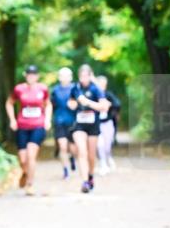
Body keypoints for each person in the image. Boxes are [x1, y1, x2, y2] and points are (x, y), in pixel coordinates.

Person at [6, 64, 52, 196]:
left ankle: (30, 184)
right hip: (22, 126)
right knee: (23, 159)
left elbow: (48, 104)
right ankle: (25, 173)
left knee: (32, 155)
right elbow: (9, 103)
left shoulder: (42, 89)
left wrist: (47, 119)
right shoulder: (19, 89)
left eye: (34, 75)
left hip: (38, 125)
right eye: (29, 75)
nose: (31, 77)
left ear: (37, 76)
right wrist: (12, 120)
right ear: (25, 76)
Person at [67, 64, 110, 193]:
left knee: (91, 155)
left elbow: (104, 107)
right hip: (79, 124)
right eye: (81, 76)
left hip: (93, 125)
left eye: (86, 76)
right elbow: (72, 101)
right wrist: (72, 104)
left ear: (90, 76)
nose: (84, 79)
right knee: (82, 152)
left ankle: (90, 175)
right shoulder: (75, 87)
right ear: (79, 76)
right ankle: (85, 181)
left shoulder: (96, 89)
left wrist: (89, 103)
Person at [50, 67, 77, 179]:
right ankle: (65, 171)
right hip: (59, 121)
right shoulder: (55, 90)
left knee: (73, 148)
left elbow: (82, 104)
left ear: (71, 77)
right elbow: (51, 106)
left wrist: (75, 105)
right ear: (59, 77)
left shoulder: (76, 89)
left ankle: (72, 158)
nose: (65, 78)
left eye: (67, 75)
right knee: (62, 146)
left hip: (73, 122)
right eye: (62, 75)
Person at [95, 75, 121, 174]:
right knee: (100, 144)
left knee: (107, 145)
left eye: (103, 84)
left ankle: (108, 157)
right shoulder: (94, 95)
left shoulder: (108, 95)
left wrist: (109, 105)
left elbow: (118, 104)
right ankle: (103, 163)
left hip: (108, 123)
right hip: (97, 124)